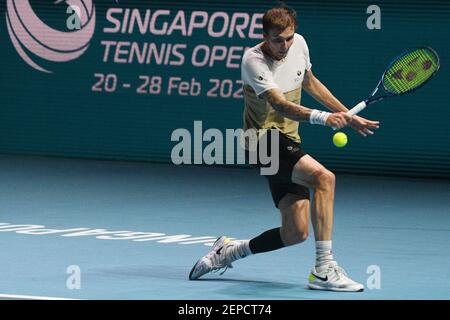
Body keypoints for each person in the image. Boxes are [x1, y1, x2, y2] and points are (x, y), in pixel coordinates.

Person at [189, 5, 379, 292]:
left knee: (296, 232)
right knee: (324, 178)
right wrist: (324, 118)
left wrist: (346, 116)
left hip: (288, 142)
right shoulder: (253, 60)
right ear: (265, 37)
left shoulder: (299, 44)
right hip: (262, 142)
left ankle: (228, 251)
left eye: (289, 38)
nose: (285, 45)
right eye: (278, 40)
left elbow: (310, 82)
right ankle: (324, 269)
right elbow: (280, 105)